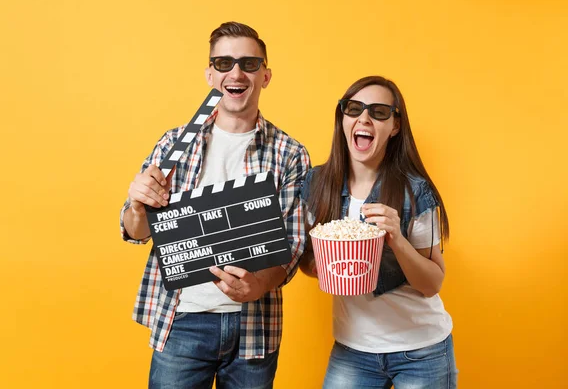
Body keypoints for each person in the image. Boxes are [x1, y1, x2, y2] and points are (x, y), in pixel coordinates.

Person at [120, 21, 311, 389]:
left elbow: (291, 246)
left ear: (266, 75)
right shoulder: (175, 144)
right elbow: (135, 231)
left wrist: (257, 285)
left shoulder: (290, 154)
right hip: (182, 319)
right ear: (210, 74)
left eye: (249, 64)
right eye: (223, 64)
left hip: (254, 327)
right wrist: (137, 206)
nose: (236, 72)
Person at [299, 76, 458, 388]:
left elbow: (432, 282)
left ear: (395, 126)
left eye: (379, 112)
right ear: (342, 118)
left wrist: (396, 239)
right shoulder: (317, 185)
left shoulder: (415, 191)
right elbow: (307, 261)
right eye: (354, 108)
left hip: (421, 350)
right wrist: (322, 265)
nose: (364, 118)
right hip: (352, 350)